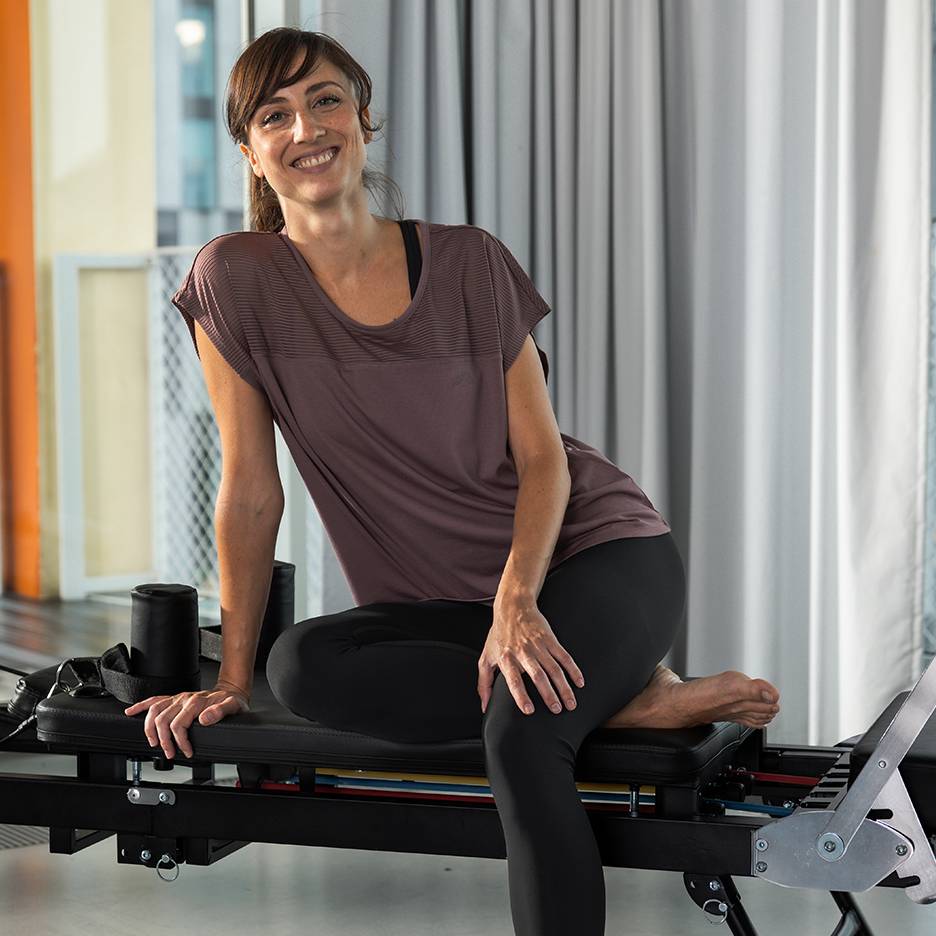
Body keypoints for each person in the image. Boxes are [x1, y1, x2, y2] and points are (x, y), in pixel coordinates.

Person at [124, 28, 780, 936]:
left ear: (362, 116)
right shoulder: (233, 280)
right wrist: (232, 678)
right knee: (302, 663)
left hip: (594, 552)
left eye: (324, 100)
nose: (306, 127)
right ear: (250, 150)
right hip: (451, 605)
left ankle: (594, 694)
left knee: (522, 737)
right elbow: (249, 487)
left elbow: (545, 459)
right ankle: (629, 702)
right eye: (274, 115)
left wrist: (520, 601)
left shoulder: (468, 262)